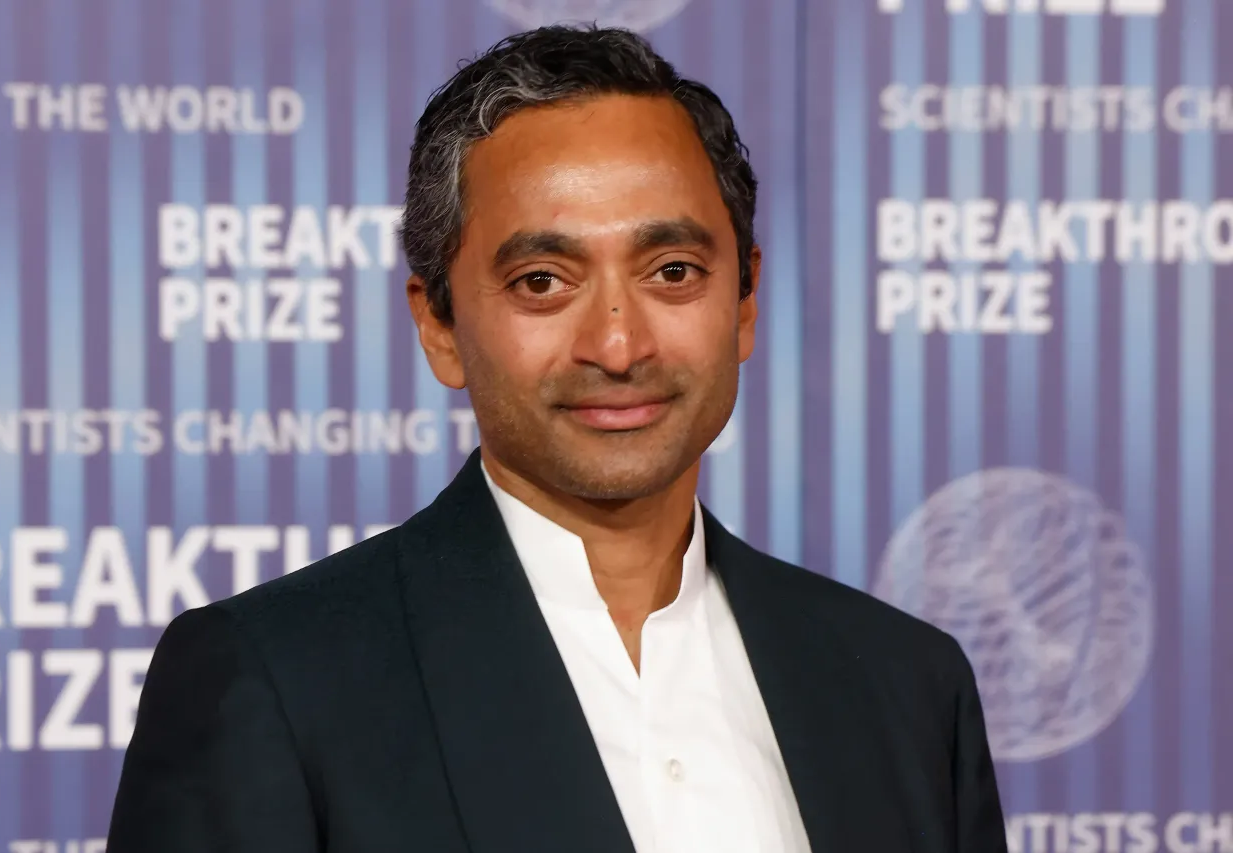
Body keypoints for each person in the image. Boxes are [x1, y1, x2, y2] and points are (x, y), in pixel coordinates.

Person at [107, 24, 1008, 853]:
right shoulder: (275, 682)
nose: (617, 343)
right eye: (542, 280)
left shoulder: (906, 684)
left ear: (745, 303)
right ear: (440, 326)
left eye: (673, 271)